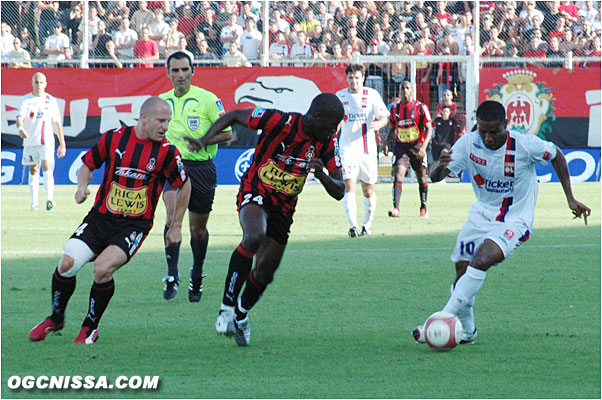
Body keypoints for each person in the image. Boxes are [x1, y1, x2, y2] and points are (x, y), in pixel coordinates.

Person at [413, 100, 591, 344]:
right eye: (483, 131)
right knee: (462, 271)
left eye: (494, 131)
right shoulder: (468, 143)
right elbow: (436, 177)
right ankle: (467, 330)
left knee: (482, 259)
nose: (487, 137)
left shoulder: (525, 145)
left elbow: (556, 154)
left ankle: (439, 320)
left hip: (515, 220)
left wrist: (570, 198)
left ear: (506, 125)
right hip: (480, 216)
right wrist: (438, 167)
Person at [184, 93, 345, 347]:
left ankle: (241, 313)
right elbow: (235, 115)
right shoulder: (280, 122)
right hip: (256, 189)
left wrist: (322, 174)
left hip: (285, 207)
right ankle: (226, 308)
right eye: (331, 124)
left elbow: (340, 190)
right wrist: (204, 140)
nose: (333, 130)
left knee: (265, 272)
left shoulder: (327, 142)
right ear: (316, 117)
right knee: (254, 235)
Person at [28, 97, 191, 344]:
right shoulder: (115, 138)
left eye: (168, 121)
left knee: (102, 269)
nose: (165, 127)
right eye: (161, 120)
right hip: (100, 218)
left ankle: (90, 326)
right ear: (144, 118)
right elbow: (87, 164)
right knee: (67, 264)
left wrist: (176, 225)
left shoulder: (167, 152)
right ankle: (56, 317)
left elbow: (185, 184)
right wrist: (82, 187)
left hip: (134, 226)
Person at [158, 51, 233, 302]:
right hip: (172, 166)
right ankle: (171, 274)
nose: (180, 75)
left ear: (193, 71)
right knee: (172, 217)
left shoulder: (208, 99)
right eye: (175, 70)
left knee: (197, 229)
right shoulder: (161, 101)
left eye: (184, 70)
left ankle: (197, 273)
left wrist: (203, 141)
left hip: (201, 169)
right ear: (167, 73)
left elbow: (228, 134)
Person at [336, 64, 389, 237]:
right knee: (349, 184)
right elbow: (337, 121)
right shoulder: (340, 96)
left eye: (357, 77)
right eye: (351, 77)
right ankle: (353, 226)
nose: (354, 81)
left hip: (367, 149)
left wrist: (378, 124)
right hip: (347, 148)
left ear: (363, 78)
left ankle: (367, 225)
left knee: (368, 189)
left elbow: (384, 117)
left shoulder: (371, 95)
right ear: (347, 78)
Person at [16, 72, 66, 211]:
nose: (39, 85)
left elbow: (57, 123)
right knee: (33, 169)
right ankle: (34, 203)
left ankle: (49, 199)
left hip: (46, 141)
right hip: (30, 141)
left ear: (46, 84)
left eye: (41, 82)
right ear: (32, 83)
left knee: (47, 167)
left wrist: (62, 143)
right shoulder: (26, 100)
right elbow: (19, 117)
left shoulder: (51, 100)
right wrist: (20, 128)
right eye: (36, 82)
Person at [384, 80, 433, 218]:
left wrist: (423, 146)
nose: (405, 90)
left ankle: (423, 207)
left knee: (421, 177)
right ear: (399, 92)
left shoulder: (420, 107)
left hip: (417, 146)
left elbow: (429, 128)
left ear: (412, 91)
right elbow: (392, 128)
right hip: (401, 146)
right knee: (398, 173)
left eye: (407, 88)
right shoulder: (394, 109)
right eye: (402, 88)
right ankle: (396, 208)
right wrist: (386, 142)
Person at [430, 104, 460, 168]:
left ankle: (445, 171)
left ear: (449, 113)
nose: (445, 113)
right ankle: (433, 173)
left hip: (447, 144)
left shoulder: (452, 121)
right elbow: (430, 128)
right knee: (436, 161)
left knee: (445, 154)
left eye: (447, 112)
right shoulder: (437, 120)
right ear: (441, 112)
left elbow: (459, 133)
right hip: (436, 144)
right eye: (444, 111)